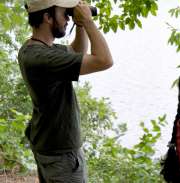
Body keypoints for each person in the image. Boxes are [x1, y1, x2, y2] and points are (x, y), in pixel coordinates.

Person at [18, 0, 113, 182]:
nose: (68, 19)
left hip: (48, 143)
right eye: (65, 13)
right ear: (47, 17)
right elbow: (104, 60)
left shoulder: (35, 49)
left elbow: (77, 50)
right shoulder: (43, 58)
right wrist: (88, 22)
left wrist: (79, 25)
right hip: (61, 154)